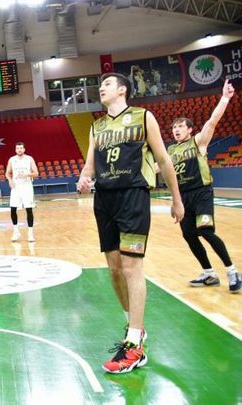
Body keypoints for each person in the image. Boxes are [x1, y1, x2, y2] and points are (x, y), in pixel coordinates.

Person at [76, 72, 184, 374]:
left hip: (134, 195)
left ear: (122, 89)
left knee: (131, 266)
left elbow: (163, 159)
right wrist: (84, 179)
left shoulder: (143, 117)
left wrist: (176, 198)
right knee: (114, 267)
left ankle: (135, 345)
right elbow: (90, 163)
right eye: (101, 85)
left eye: (108, 84)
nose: (102, 87)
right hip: (104, 199)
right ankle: (132, 324)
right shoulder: (96, 127)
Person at [168, 79, 240, 293]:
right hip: (183, 197)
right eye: (174, 127)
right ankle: (209, 274)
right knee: (189, 235)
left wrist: (225, 98)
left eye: (180, 126)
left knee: (206, 231)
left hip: (202, 193)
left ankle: (232, 271)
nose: (176, 130)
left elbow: (212, 121)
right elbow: (154, 168)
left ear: (190, 130)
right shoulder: (171, 151)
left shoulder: (198, 142)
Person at [6, 142, 39, 242]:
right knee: (13, 209)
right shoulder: (12, 159)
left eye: (21, 148)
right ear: (15, 150)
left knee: (29, 209)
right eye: (17, 148)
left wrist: (27, 175)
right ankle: (16, 232)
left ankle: (30, 234)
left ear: (24, 149)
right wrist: (10, 180)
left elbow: (36, 173)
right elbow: (7, 172)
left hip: (27, 187)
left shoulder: (29, 159)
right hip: (16, 187)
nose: (19, 150)